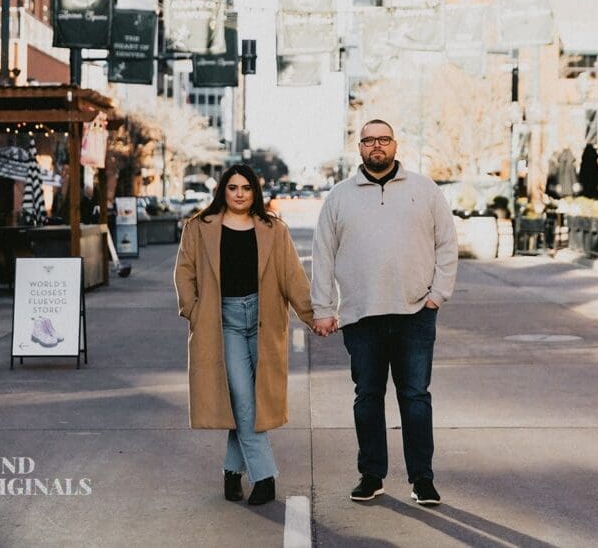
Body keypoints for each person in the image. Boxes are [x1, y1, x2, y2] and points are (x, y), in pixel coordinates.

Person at [311, 119, 458, 506]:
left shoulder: (425, 190)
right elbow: (323, 256)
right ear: (359, 147)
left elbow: (447, 243)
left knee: (415, 398)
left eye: (384, 139)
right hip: (361, 317)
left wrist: (437, 295)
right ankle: (371, 475)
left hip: (415, 313)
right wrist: (324, 308)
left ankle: (422, 480)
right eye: (369, 140)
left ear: (395, 144)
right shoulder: (340, 197)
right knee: (368, 397)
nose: (377, 145)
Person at [173, 164, 313, 505]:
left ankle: (232, 473)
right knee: (243, 399)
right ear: (223, 190)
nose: (239, 193)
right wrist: (194, 312)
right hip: (224, 322)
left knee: (248, 401)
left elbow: (292, 276)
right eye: (232, 187)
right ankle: (265, 477)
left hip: (263, 320)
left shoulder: (272, 228)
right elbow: (184, 271)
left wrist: (313, 316)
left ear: (255, 192)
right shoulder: (199, 226)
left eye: (246, 188)